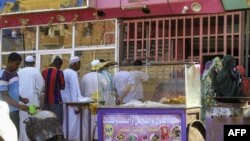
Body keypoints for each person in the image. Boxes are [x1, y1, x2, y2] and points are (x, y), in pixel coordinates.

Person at [0, 52, 29, 136]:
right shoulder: (3, 75)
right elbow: (5, 96)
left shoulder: (15, 74)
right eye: (16, 64)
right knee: (9, 135)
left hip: (15, 109)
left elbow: (13, 91)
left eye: (19, 64)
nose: (17, 66)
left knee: (16, 133)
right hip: (7, 111)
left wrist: (22, 99)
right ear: (9, 61)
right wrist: (20, 106)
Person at [17, 55, 44, 141]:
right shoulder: (36, 71)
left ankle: (22, 138)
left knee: (22, 118)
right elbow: (41, 84)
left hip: (21, 99)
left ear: (25, 63)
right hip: (32, 99)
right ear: (33, 63)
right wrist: (38, 94)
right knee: (33, 117)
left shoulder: (19, 71)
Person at [61, 56, 83, 141]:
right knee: (72, 123)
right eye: (79, 64)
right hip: (71, 103)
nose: (80, 66)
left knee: (65, 122)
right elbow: (74, 90)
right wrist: (76, 106)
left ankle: (65, 137)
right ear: (75, 64)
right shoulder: (73, 74)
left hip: (64, 101)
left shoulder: (64, 72)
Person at [42, 56, 65, 125]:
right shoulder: (59, 73)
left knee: (47, 120)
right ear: (59, 65)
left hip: (46, 101)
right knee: (57, 120)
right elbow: (63, 86)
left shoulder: (44, 72)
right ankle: (57, 135)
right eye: (60, 66)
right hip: (56, 100)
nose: (60, 67)